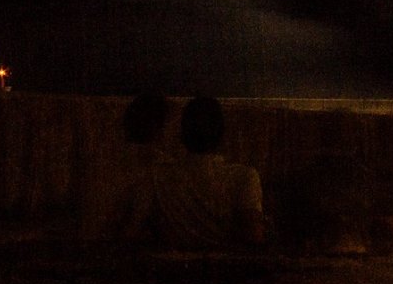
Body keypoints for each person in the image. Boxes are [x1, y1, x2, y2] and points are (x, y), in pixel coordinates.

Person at [152, 96, 268, 248]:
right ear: (221, 134)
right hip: (226, 269)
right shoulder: (243, 177)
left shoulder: (159, 176)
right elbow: (253, 236)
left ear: (182, 133)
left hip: (173, 269)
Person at [78, 91, 170, 242]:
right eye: (165, 125)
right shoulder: (149, 167)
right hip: (108, 250)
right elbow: (132, 228)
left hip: (89, 244)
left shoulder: (102, 158)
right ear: (157, 128)